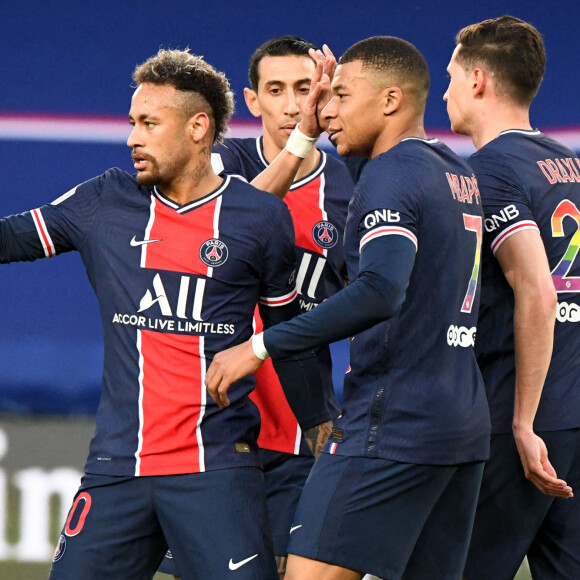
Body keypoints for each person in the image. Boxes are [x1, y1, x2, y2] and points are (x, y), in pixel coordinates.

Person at [1, 48, 332, 580]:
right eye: (133, 122)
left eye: (149, 123)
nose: (133, 137)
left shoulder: (258, 217)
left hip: (217, 470)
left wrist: (322, 425)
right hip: (117, 469)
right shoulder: (103, 201)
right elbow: (10, 238)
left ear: (198, 127)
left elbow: (289, 334)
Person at [206, 36, 491, 580]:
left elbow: (381, 291)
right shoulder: (455, 173)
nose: (324, 109)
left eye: (340, 94)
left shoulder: (390, 174)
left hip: (391, 424)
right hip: (462, 424)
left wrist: (260, 345)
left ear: (389, 101)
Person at [156, 36, 351, 580]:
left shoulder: (350, 189)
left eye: (306, 89)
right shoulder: (221, 164)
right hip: (209, 429)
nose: (293, 105)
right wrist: (303, 143)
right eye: (277, 90)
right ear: (251, 100)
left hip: (295, 428)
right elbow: (231, 220)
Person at [443, 15, 578, 580]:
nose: (445, 90)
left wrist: (524, 423)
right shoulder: (570, 165)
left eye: (451, 75)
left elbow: (537, 291)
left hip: (519, 423)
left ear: (478, 80)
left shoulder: (490, 171)